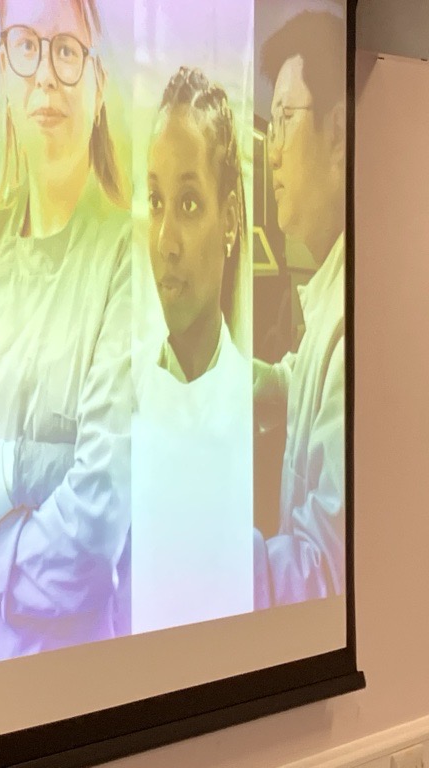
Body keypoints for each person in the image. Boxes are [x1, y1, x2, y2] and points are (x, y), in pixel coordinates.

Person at [0, 0, 132, 664]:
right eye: (25, 46)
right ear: (4, 74)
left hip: (80, 660)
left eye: (67, 50)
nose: (45, 75)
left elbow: (95, 526)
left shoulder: (128, 255)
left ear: (100, 86)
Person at [131, 66, 253, 633]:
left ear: (229, 219)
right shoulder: (118, 398)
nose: (166, 243)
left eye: (188, 204)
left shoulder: (265, 417)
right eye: (156, 202)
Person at [253, 10, 347, 607]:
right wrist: (248, 380)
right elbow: (308, 379)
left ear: (338, 136)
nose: (273, 154)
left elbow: (325, 572)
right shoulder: (335, 288)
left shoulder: (357, 331)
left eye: (285, 120)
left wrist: (195, 557)